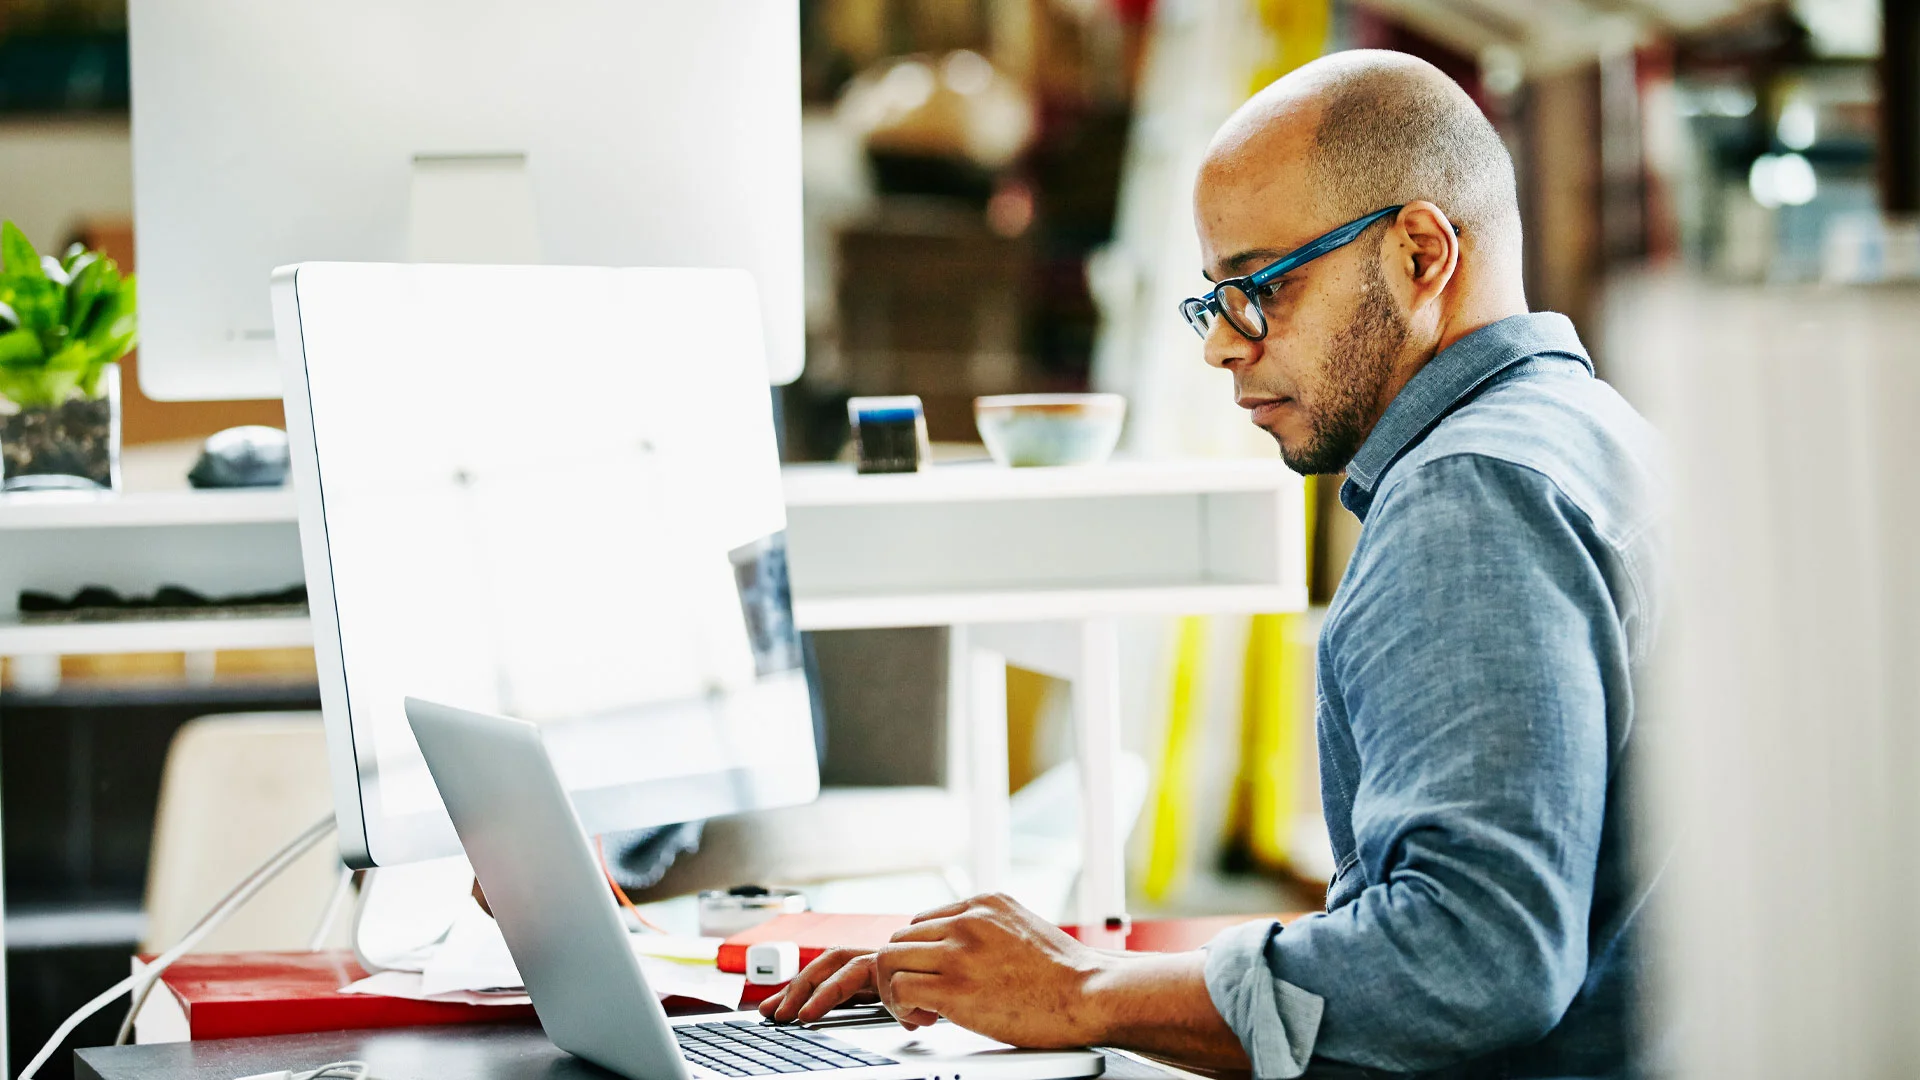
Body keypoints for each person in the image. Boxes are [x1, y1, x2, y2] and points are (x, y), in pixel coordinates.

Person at [761, 48, 1666, 1080]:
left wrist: (1078, 992)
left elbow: (1471, 962)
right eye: (1215, 298)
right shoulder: (1593, 438)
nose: (1222, 345)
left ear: (1420, 252)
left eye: (1260, 286)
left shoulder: (1470, 498)